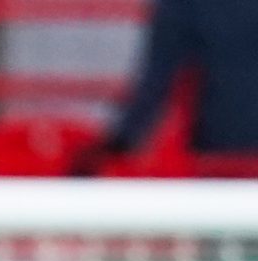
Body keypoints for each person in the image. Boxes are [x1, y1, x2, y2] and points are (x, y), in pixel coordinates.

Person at [93, 0, 258, 164]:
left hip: (217, 145)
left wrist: (118, 145)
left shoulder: (183, 6)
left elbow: (155, 81)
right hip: (222, 144)